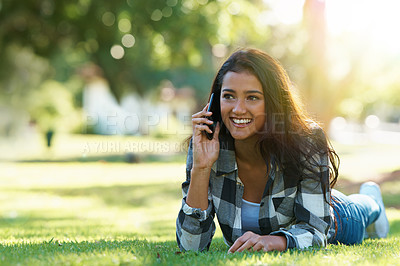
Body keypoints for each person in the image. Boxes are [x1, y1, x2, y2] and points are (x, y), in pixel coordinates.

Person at [176, 48, 389, 252]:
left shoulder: (306, 138)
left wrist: (275, 241)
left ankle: (372, 199)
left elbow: (316, 231)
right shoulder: (206, 142)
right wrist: (201, 168)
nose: (238, 109)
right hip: (308, 202)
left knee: (362, 209)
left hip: (336, 217)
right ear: (216, 100)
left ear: (273, 102)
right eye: (229, 96)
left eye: (252, 97)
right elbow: (191, 246)